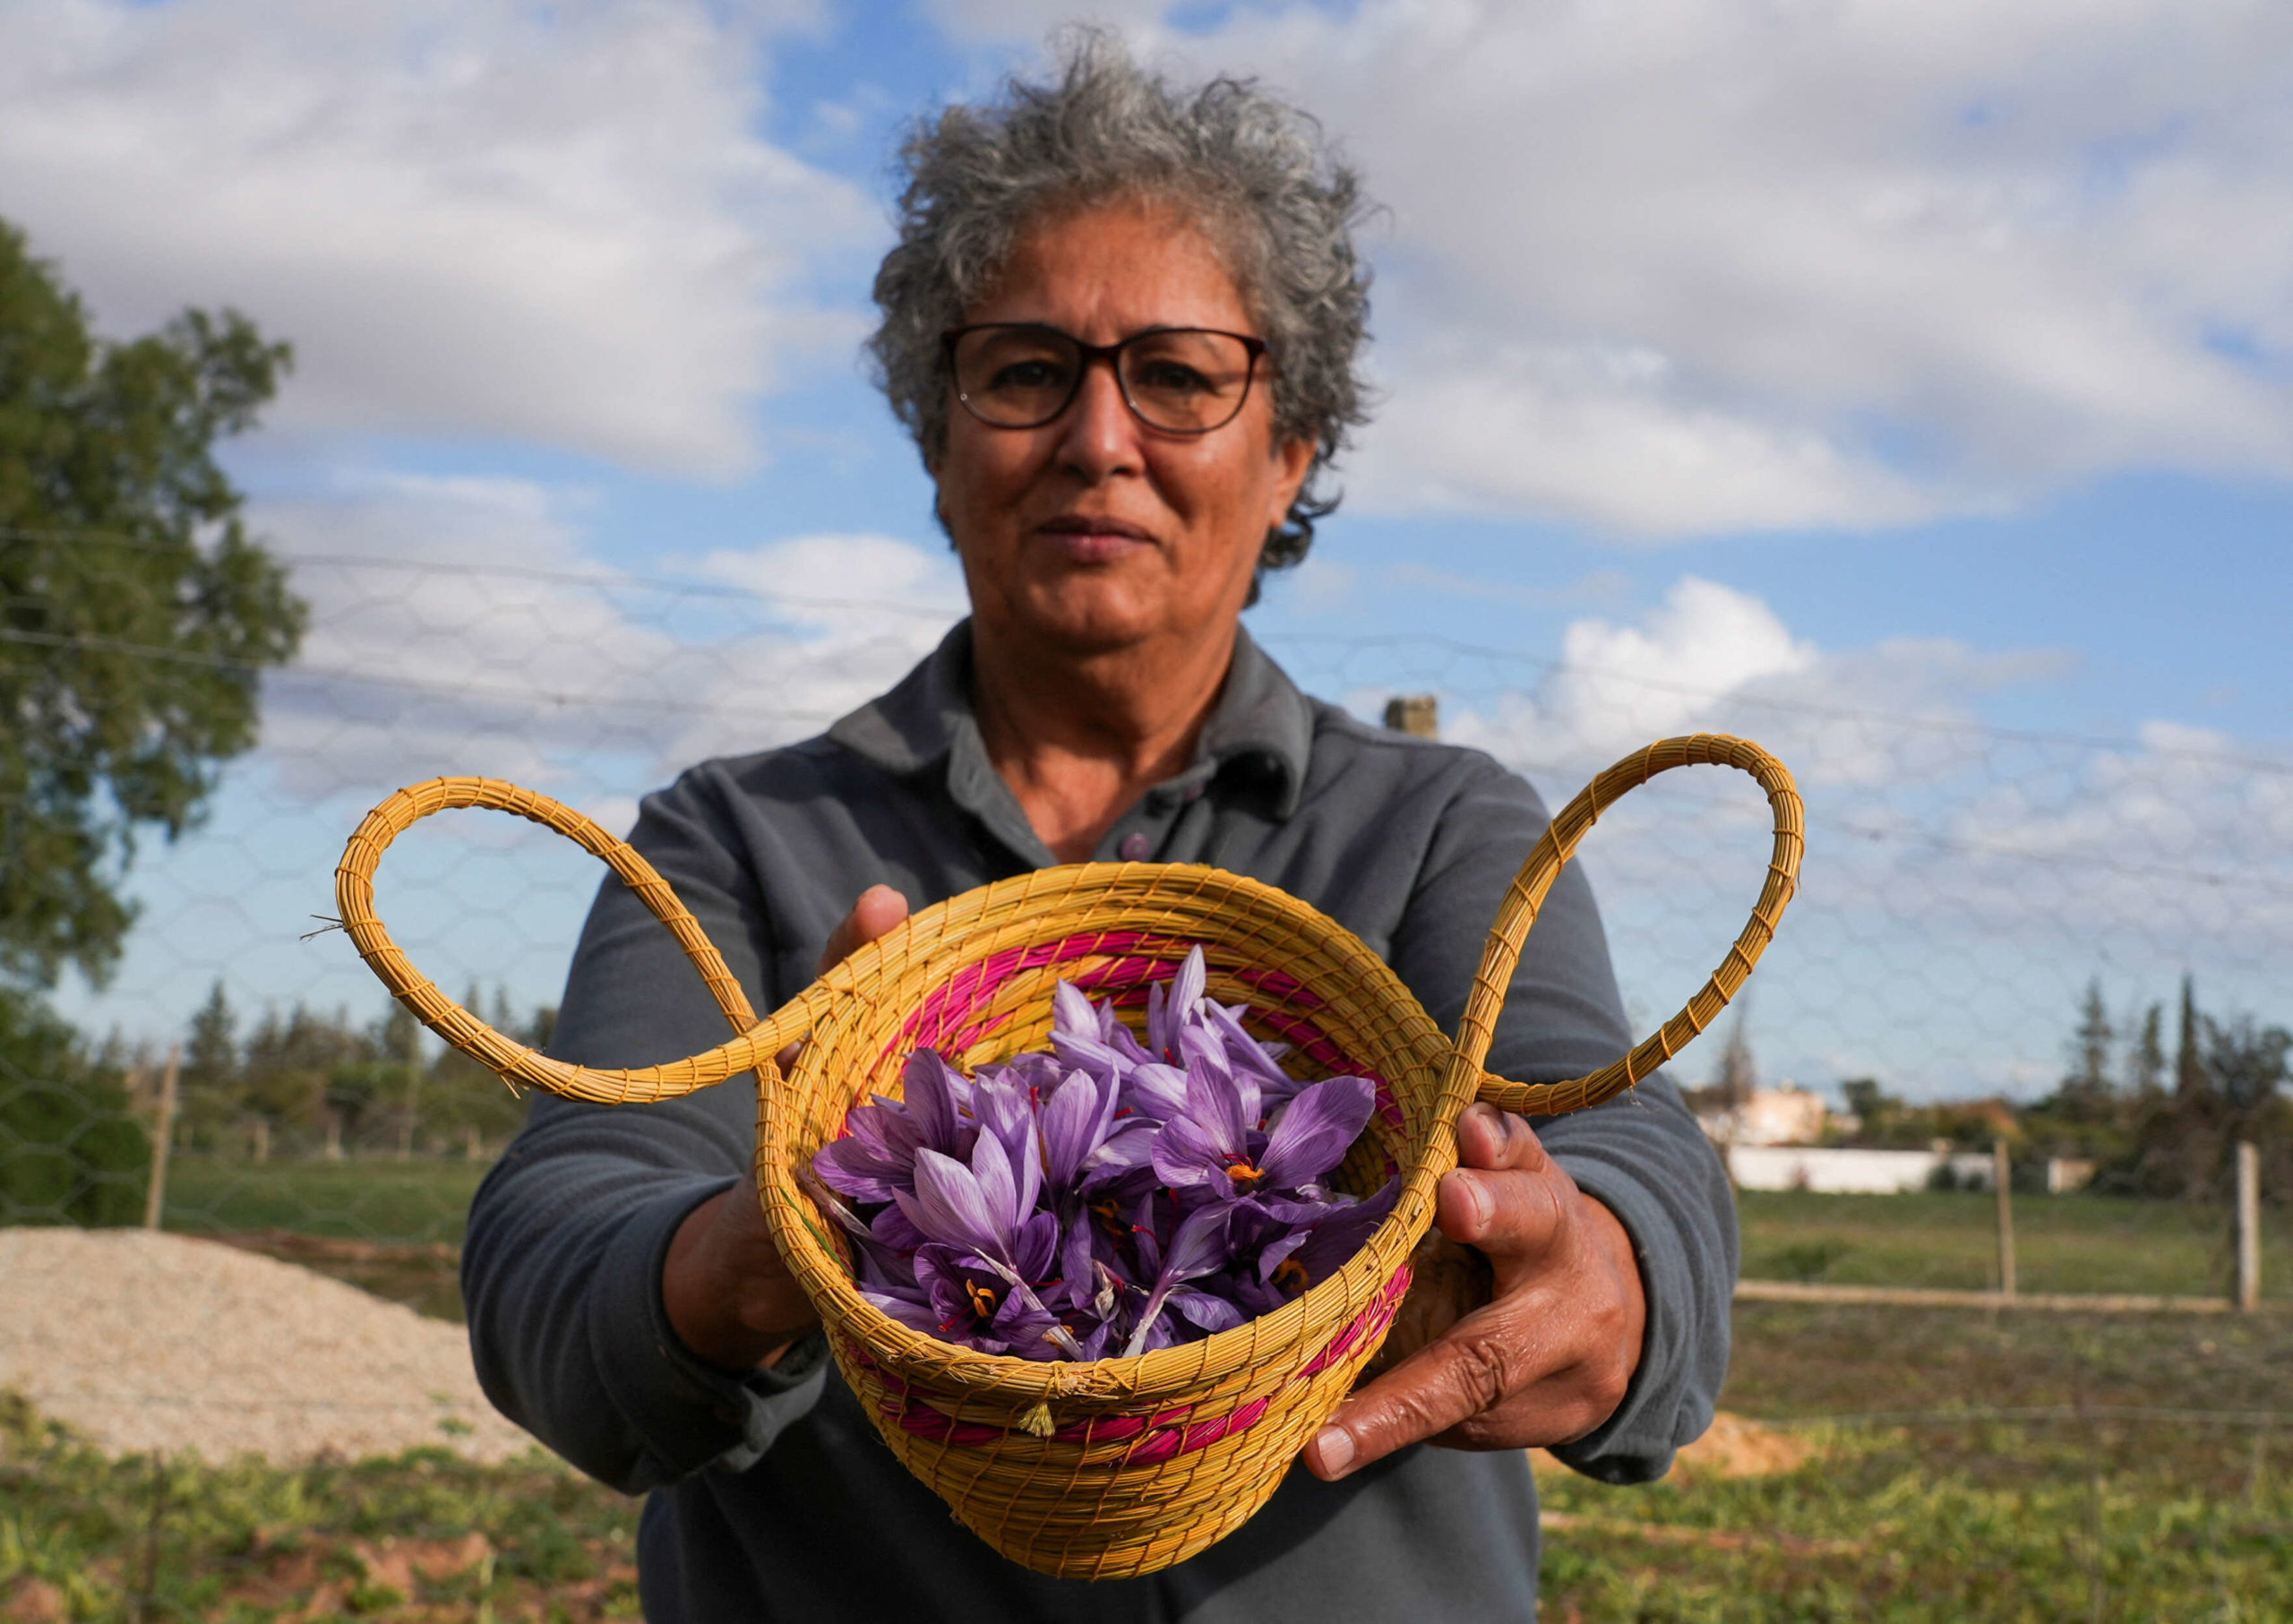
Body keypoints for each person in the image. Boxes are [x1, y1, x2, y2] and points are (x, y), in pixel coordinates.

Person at [465, 34, 1737, 1622]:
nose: (1098, 438)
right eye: (1022, 370)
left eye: (1183, 375)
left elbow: (1619, 1145)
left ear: (1291, 457)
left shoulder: (1436, 830)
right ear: (937, 439)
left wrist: (1591, 1258)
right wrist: (767, 1246)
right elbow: (555, 1244)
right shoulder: (739, 839)